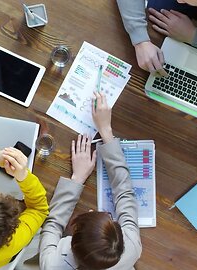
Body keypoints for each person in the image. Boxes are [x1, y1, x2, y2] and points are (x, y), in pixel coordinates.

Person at [39, 92, 142, 269]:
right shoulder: (131, 248)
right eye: (110, 217)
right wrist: (106, 132)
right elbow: (125, 193)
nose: (93, 209)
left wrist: (77, 178)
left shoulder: (52, 265)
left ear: (71, 242)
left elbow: (53, 224)